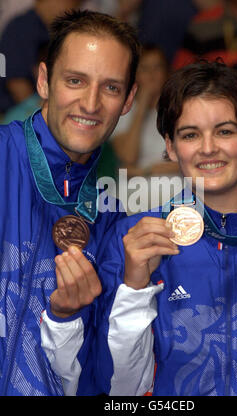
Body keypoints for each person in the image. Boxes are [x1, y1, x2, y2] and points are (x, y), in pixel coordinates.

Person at [41, 59, 237, 396]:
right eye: (190, 134)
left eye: (225, 130)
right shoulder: (132, 238)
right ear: (170, 146)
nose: (208, 148)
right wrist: (134, 288)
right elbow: (119, 390)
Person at [0, 8, 139, 396]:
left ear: (128, 100)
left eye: (111, 88)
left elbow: (101, 380)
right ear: (44, 81)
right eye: (75, 80)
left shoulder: (111, 220)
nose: (91, 103)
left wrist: (66, 319)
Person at [111, 44, 179, 212]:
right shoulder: (122, 111)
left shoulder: (181, 110)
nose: (151, 75)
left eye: (157, 67)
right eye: (145, 69)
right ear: (135, 75)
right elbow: (128, 156)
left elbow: (188, 159)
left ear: (167, 72)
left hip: (175, 184)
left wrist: (145, 171)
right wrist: (141, 107)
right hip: (133, 189)